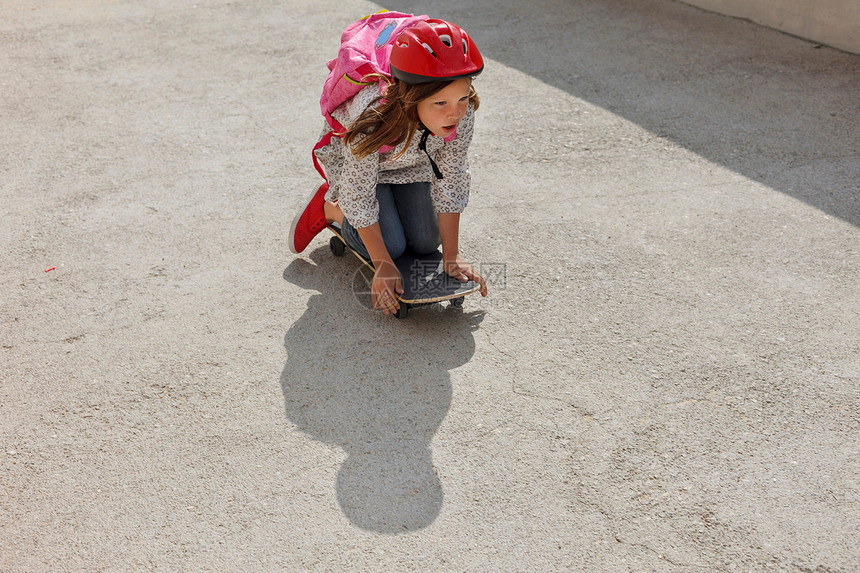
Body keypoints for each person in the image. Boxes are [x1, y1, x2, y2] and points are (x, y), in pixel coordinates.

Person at [289, 18, 488, 315]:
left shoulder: (464, 112)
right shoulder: (373, 118)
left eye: (462, 97)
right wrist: (382, 264)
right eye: (440, 103)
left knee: (425, 242)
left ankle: (386, 211)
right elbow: (359, 191)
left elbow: (451, 177)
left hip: (411, 164)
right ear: (411, 97)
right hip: (357, 172)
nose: (455, 112)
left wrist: (452, 255)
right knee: (392, 247)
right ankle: (331, 206)